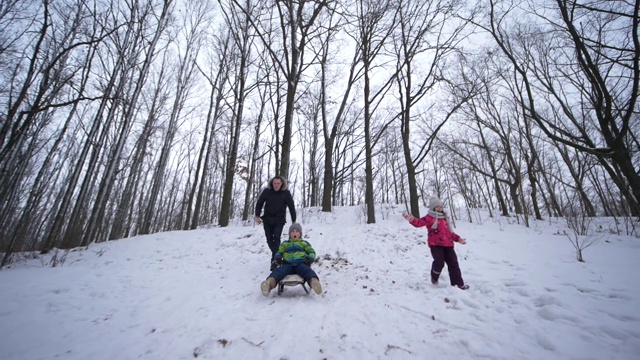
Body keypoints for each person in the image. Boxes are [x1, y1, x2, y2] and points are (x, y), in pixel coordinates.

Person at [403, 196, 469, 290]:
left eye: (441, 206)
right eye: (437, 206)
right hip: (436, 244)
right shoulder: (429, 217)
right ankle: (434, 277)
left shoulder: (445, 218)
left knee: (453, 263)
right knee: (439, 263)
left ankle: (458, 284)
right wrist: (411, 219)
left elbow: (449, 232)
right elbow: (419, 223)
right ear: (433, 207)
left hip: (448, 245)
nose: (440, 208)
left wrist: (458, 239)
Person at [260, 223, 323, 296]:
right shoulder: (285, 244)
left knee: (307, 271)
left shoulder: (304, 243)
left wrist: (310, 259)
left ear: (300, 234)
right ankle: (269, 284)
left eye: (297, 231)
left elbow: (311, 252)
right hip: (287, 264)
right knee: (278, 272)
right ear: (290, 234)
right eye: (292, 231)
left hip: (300, 263)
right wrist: (278, 258)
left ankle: (314, 283)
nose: (294, 233)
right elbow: (279, 252)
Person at [255, 176, 297, 270]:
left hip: (279, 220)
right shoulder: (267, 191)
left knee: (276, 237)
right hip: (267, 219)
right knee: (269, 239)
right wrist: (257, 215)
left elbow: (291, 206)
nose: (276, 185)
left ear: (281, 184)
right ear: (272, 183)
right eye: (275, 183)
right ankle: (277, 256)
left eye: (278, 183)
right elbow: (260, 202)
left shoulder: (286, 193)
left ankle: (275, 260)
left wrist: (294, 219)